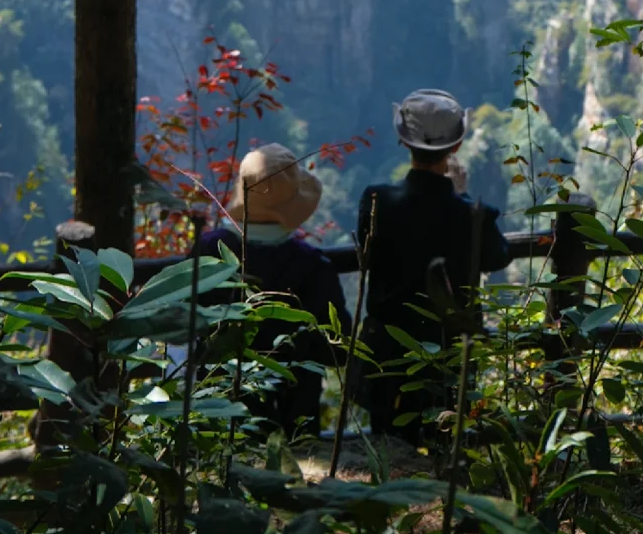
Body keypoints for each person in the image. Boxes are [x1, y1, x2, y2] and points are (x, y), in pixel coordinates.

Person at [357, 89, 508, 443]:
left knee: (387, 446)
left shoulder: (377, 201)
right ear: (455, 147)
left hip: (387, 354)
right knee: (447, 440)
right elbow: (498, 256)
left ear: (402, 139)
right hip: (449, 352)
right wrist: (462, 195)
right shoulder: (471, 215)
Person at [200, 143, 351, 439]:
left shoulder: (208, 252)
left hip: (217, 417)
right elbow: (338, 347)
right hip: (295, 423)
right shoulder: (313, 266)